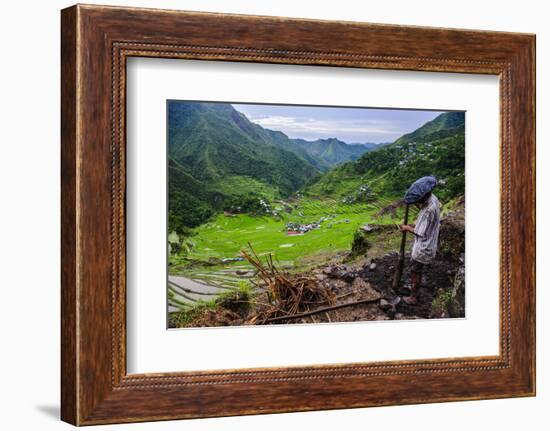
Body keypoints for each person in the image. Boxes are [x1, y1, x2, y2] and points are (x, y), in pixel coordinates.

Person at [399, 191, 441, 305]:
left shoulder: (429, 210)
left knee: (415, 270)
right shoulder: (433, 198)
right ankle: (415, 287)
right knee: (417, 269)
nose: (418, 203)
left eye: (418, 201)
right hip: (430, 241)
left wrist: (407, 227)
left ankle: (413, 297)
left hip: (424, 246)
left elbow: (420, 232)